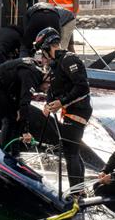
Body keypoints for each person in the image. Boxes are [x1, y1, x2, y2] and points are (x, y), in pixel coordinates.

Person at [35, 27, 91, 186]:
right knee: (72, 150)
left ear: (48, 47)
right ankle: (78, 189)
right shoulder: (57, 64)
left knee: (71, 152)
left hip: (78, 109)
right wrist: (48, 103)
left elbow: (82, 87)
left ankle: (75, 193)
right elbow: (55, 89)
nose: (42, 55)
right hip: (70, 110)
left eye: (42, 51)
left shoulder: (69, 60)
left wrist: (61, 102)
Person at [0, 57, 48, 155]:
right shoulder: (32, 76)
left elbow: (19, 90)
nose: (46, 90)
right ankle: (6, 154)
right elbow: (25, 103)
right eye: (48, 87)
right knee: (9, 120)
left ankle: (15, 153)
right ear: (47, 78)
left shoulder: (35, 71)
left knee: (16, 119)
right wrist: (25, 131)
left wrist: (17, 109)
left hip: (5, 87)